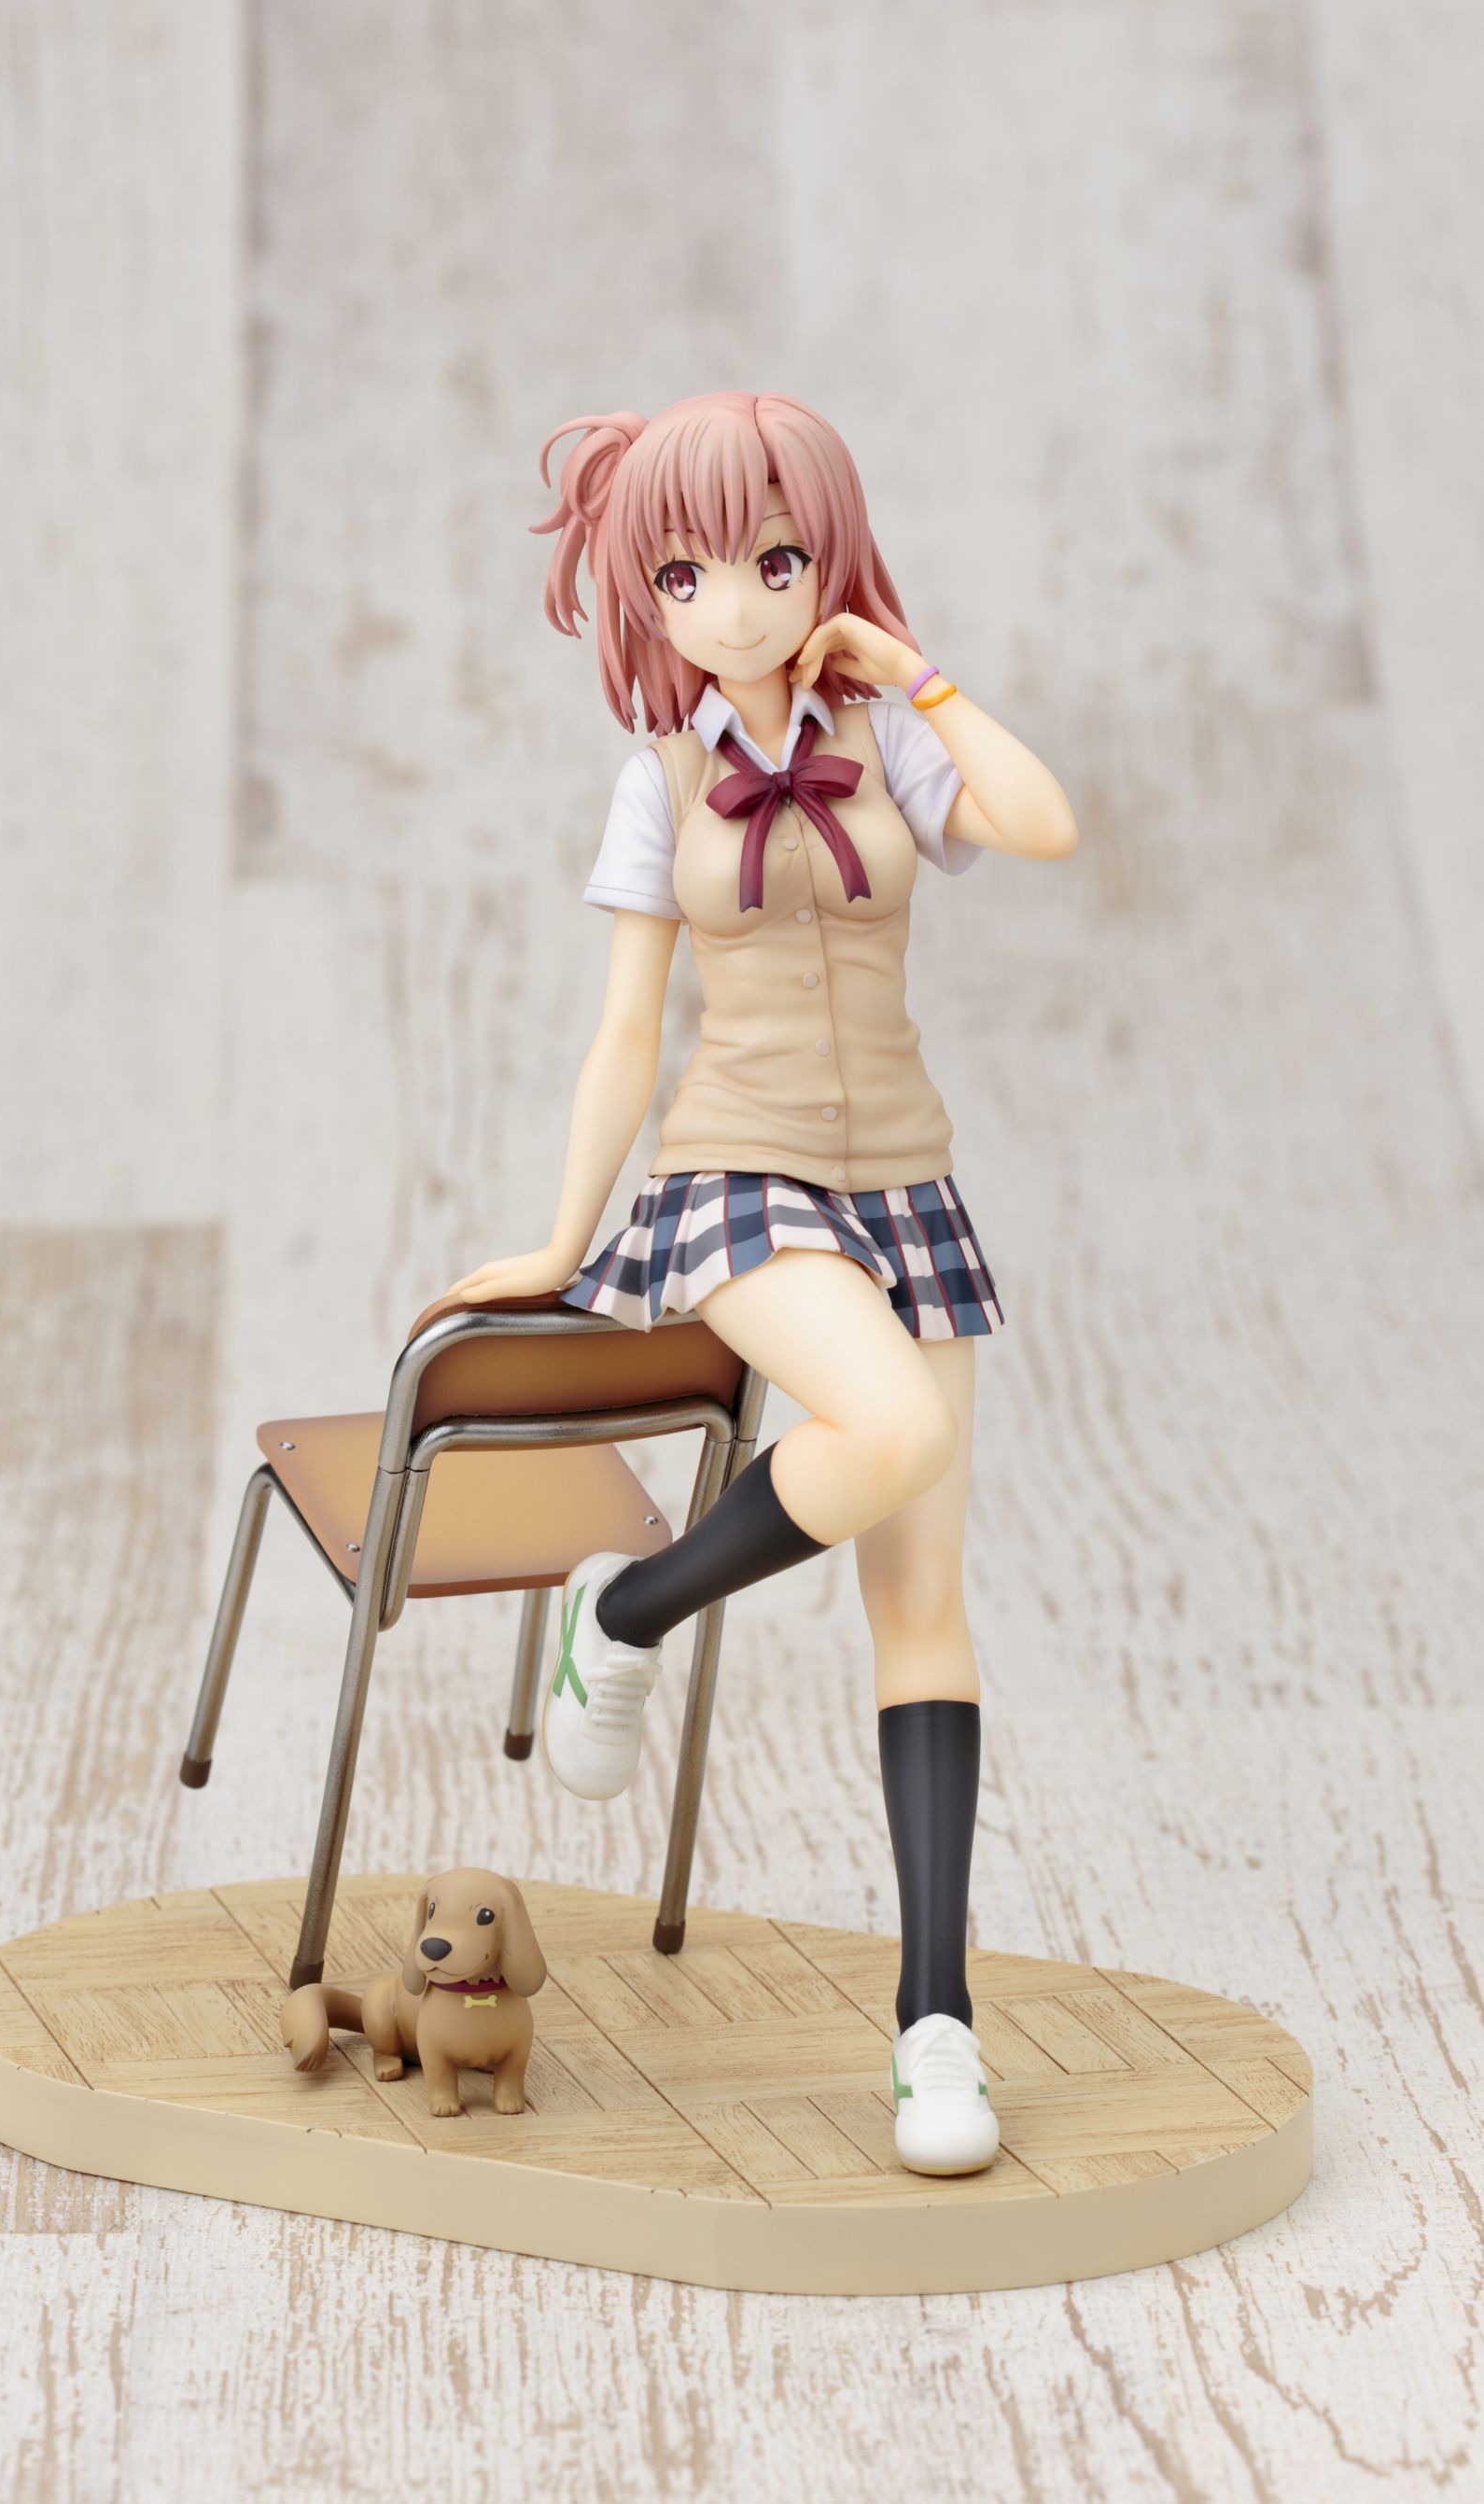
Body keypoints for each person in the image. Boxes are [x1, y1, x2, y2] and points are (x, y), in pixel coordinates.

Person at [446, 393, 1078, 2173]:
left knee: (926, 1604)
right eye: (686, 576)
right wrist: (564, 1236)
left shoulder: (889, 739)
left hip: (907, 1188)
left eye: (774, 562)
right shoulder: (657, 782)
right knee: (891, 1431)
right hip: (738, 1182)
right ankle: (631, 1614)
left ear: (828, 564)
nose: (732, 605)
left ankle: (936, 2028)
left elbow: (1044, 825)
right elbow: (626, 1033)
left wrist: (919, 677)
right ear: (647, 597)